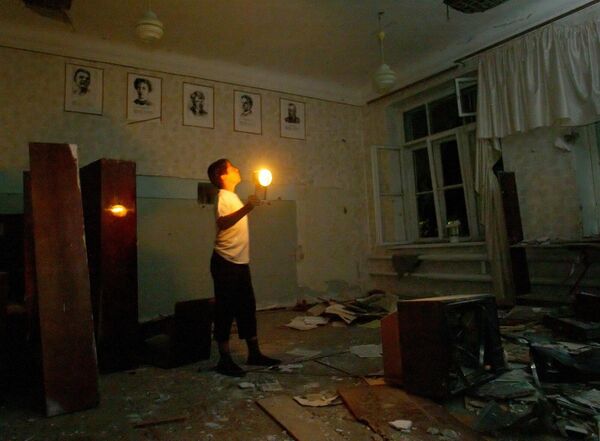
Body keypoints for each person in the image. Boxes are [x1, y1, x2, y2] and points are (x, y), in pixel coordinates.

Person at [206, 158, 281, 377]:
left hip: (240, 263)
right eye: (232, 167)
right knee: (225, 310)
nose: (237, 168)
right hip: (225, 262)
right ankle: (225, 359)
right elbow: (223, 223)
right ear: (222, 175)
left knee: (247, 307)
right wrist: (248, 207)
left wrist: (252, 200)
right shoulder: (223, 197)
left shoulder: (234, 197)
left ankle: (254, 354)